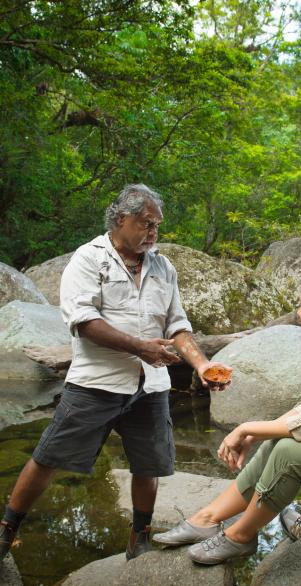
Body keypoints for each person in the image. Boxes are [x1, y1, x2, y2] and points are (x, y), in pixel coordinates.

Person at [0, 183, 231, 562]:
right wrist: (141, 347)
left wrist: (202, 364)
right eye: (145, 224)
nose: (153, 233)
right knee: (48, 457)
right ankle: (8, 528)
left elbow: (177, 324)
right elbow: (83, 321)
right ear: (121, 219)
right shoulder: (89, 259)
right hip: (96, 382)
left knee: (148, 464)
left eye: (156, 226)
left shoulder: (162, 266)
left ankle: (139, 536)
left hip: (150, 386)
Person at [153, 267, 301, 564]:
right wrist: (256, 432)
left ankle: (240, 537)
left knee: (290, 451)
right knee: (278, 442)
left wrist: (247, 427)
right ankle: (207, 518)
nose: (298, 312)